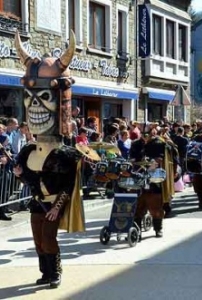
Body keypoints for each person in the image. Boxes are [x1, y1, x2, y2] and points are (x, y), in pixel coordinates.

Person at [12, 30, 85, 288]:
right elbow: (26, 175)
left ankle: (55, 273)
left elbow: (68, 184)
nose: (36, 107)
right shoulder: (27, 151)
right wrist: (20, 175)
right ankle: (44, 272)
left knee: (49, 239)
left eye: (44, 97)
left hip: (53, 203)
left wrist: (57, 207)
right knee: (38, 241)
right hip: (36, 203)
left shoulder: (64, 154)